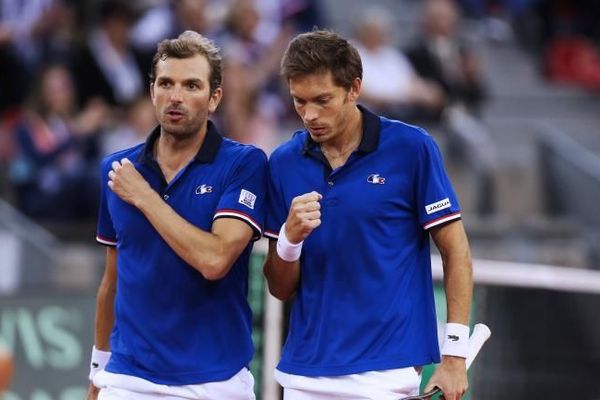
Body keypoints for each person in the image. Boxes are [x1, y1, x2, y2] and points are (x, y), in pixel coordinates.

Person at [263, 30, 474, 400]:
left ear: (354, 88)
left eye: (322, 100)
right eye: (299, 101)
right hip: (303, 374)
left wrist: (454, 353)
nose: (309, 114)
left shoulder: (412, 148)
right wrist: (289, 240)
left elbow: (455, 250)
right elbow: (279, 288)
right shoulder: (282, 163)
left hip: (388, 373)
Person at [87, 30, 267, 400]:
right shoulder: (116, 170)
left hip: (216, 382)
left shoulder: (244, 163)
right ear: (152, 91)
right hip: (126, 381)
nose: (176, 96)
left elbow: (215, 260)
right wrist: (97, 372)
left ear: (215, 97)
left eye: (191, 85)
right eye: (166, 83)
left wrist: (145, 197)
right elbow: (112, 282)